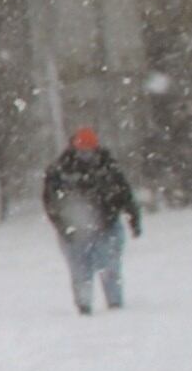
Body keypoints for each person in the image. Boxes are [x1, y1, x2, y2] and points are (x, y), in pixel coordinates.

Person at [39, 127, 145, 314]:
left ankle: (115, 304)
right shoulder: (60, 170)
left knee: (110, 268)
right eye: (82, 150)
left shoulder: (109, 168)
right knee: (80, 271)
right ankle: (84, 305)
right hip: (75, 231)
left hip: (108, 226)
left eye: (90, 150)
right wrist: (64, 226)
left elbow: (124, 194)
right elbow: (51, 202)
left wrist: (133, 219)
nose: (86, 155)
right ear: (74, 148)